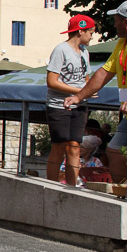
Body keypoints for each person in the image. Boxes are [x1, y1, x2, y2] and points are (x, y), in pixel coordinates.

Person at [66, 2, 127, 185]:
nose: (114, 24)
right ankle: (124, 194)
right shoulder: (121, 44)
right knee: (114, 151)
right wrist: (79, 96)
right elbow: (103, 73)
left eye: (116, 20)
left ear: (126, 22)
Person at [46, 14, 95, 185]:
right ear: (81, 31)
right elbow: (51, 81)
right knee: (59, 147)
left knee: (74, 147)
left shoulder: (84, 52)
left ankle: (72, 187)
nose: (92, 36)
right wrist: (80, 91)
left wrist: (87, 91)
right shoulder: (61, 50)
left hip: (80, 105)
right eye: (90, 32)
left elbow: (86, 79)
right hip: (59, 106)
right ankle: (51, 186)